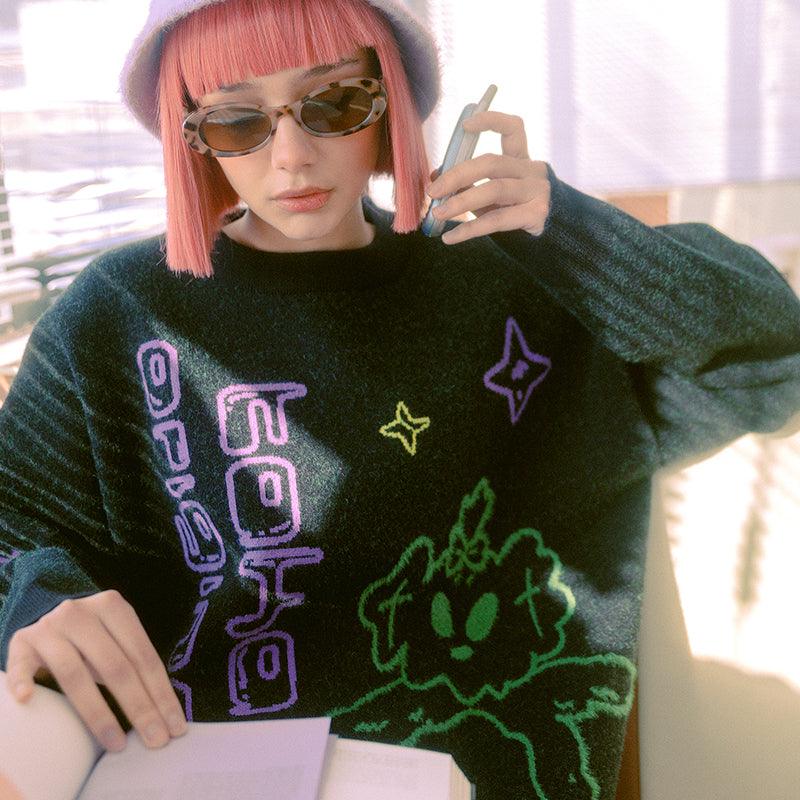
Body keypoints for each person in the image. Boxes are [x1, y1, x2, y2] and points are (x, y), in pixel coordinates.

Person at [0, 0, 798, 797]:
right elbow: (14, 520)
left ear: (390, 100)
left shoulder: (506, 285)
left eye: (333, 103)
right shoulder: (118, 315)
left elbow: (773, 362)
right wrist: (39, 595)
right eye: (237, 121)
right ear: (194, 136)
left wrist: (573, 235)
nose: (291, 157)